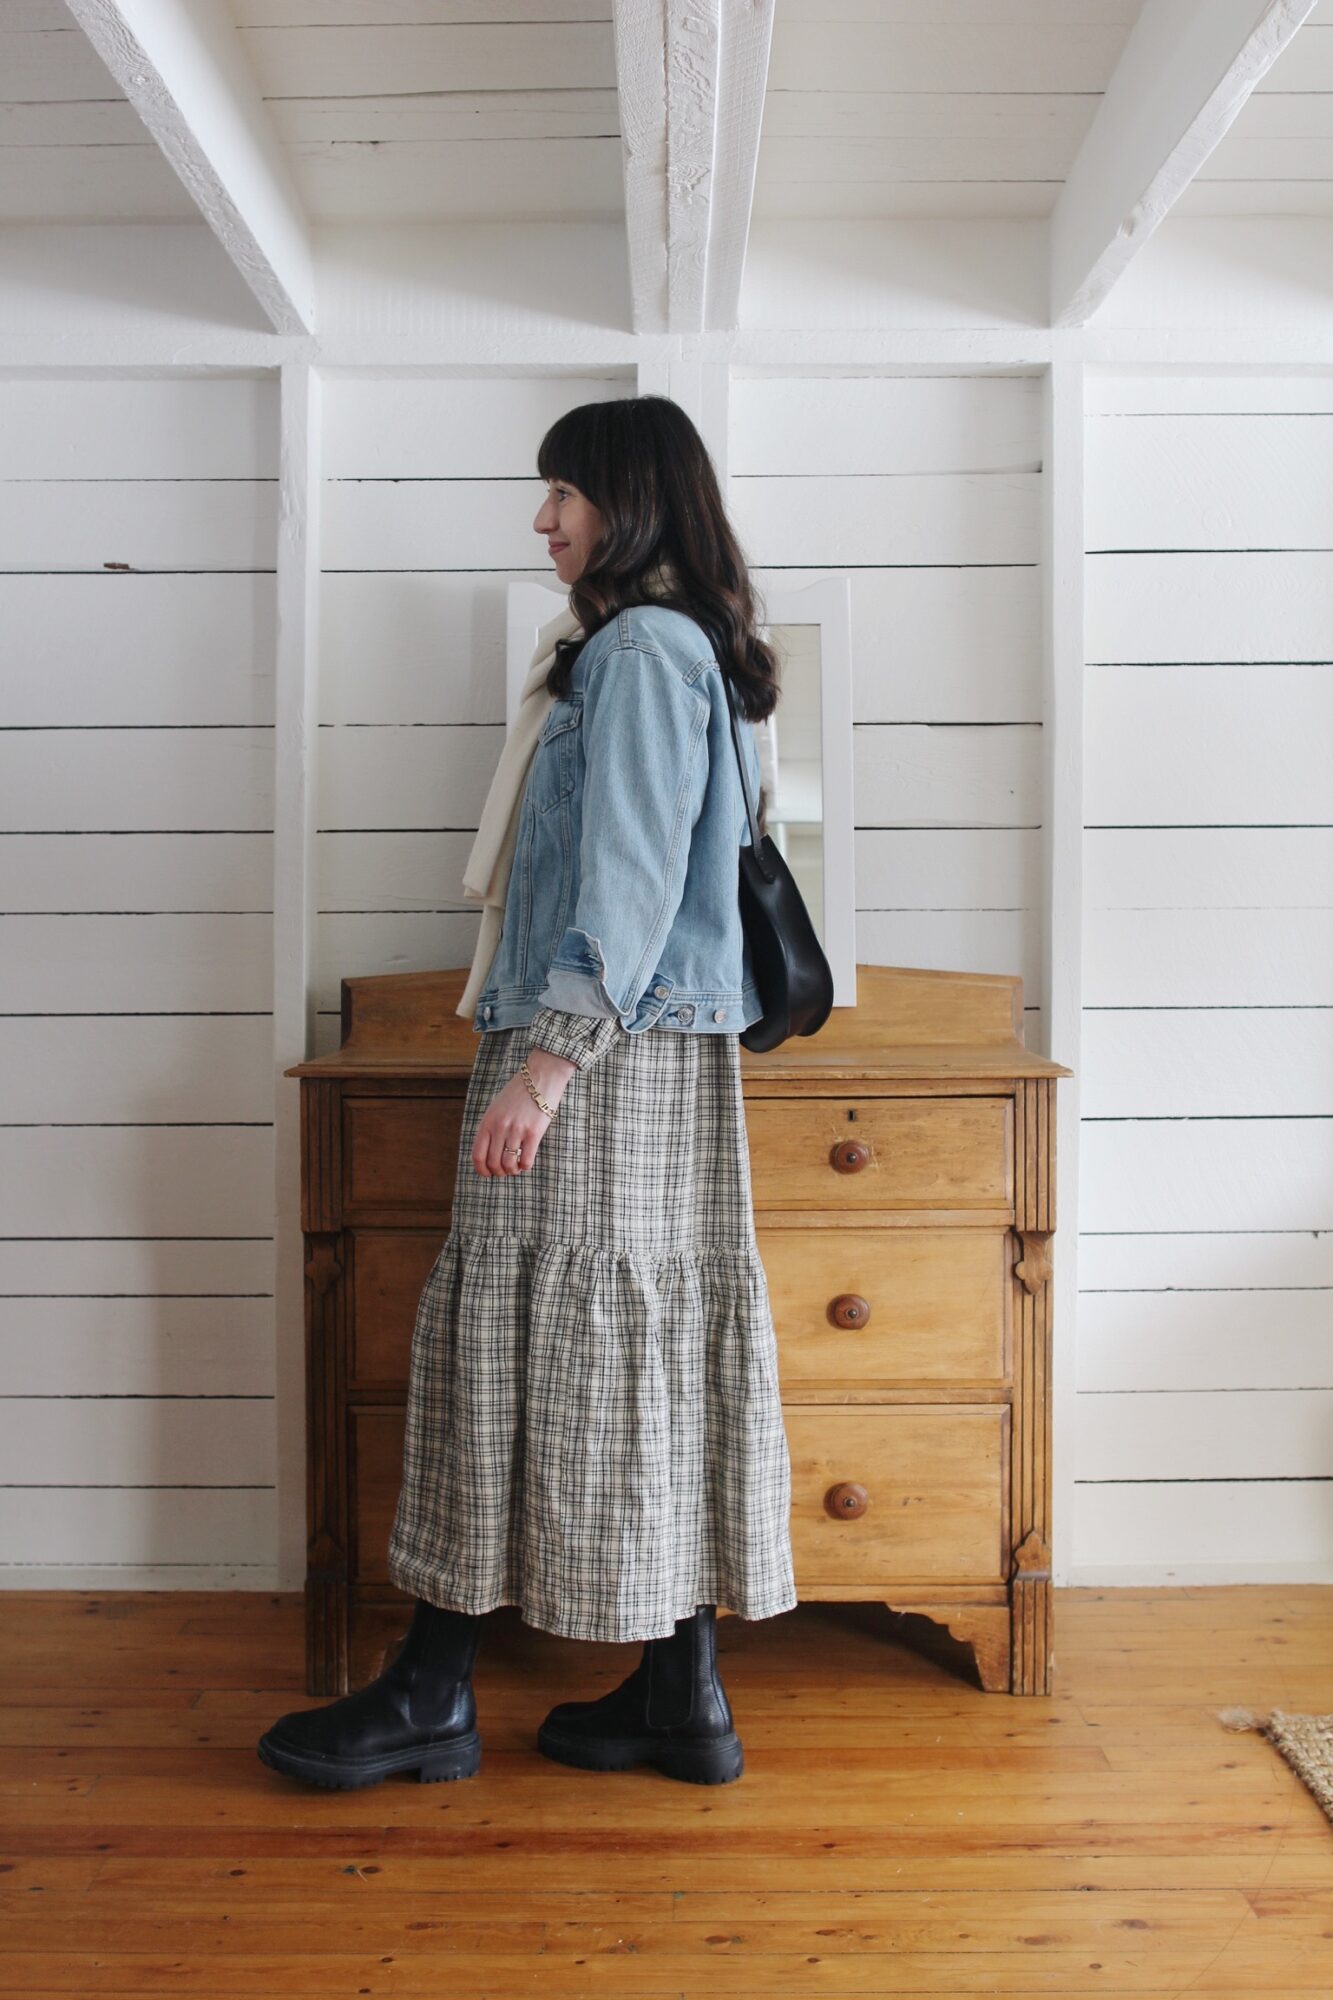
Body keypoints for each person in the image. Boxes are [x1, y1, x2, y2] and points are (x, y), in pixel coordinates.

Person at [258, 394, 796, 1791]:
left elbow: (621, 879)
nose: (541, 518)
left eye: (562, 491)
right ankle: (680, 1699)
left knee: (534, 1351)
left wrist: (549, 1064)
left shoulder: (638, 655)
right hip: (653, 1054)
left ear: (631, 501)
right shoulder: (683, 653)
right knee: (622, 1358)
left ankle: (437, 1693)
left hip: (597, 1052)